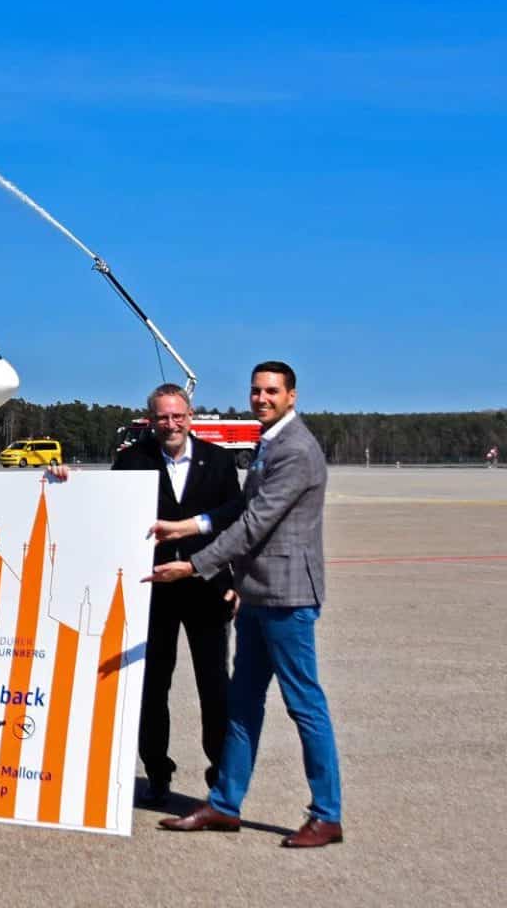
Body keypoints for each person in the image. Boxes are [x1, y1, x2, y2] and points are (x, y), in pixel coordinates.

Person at [147, 361, 344, 848]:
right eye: (256, 390)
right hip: (257, 595)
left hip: (288, 596)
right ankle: (224, 804)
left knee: (305, 706)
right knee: (241, 705)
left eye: (272, 391)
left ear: (292, 396)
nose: (261, 398)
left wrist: (195, 566)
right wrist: (189, 530)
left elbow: (255, 523)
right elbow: (242, 516)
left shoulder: (295, 450)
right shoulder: (268, 442)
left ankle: (327, 814)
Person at [113, 383, 242, 805]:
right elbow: (106, 512)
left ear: (191, 417)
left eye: (178, 416)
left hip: (207, 587)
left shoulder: (220, 461)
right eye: (163, 417)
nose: (171, 424)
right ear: (151, 419)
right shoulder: (132, 460)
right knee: (153, 686)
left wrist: (237, 582)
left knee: (215, 687)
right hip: (154, 591)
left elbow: (236, 521)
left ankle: (220, 774)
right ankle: (157, 772)